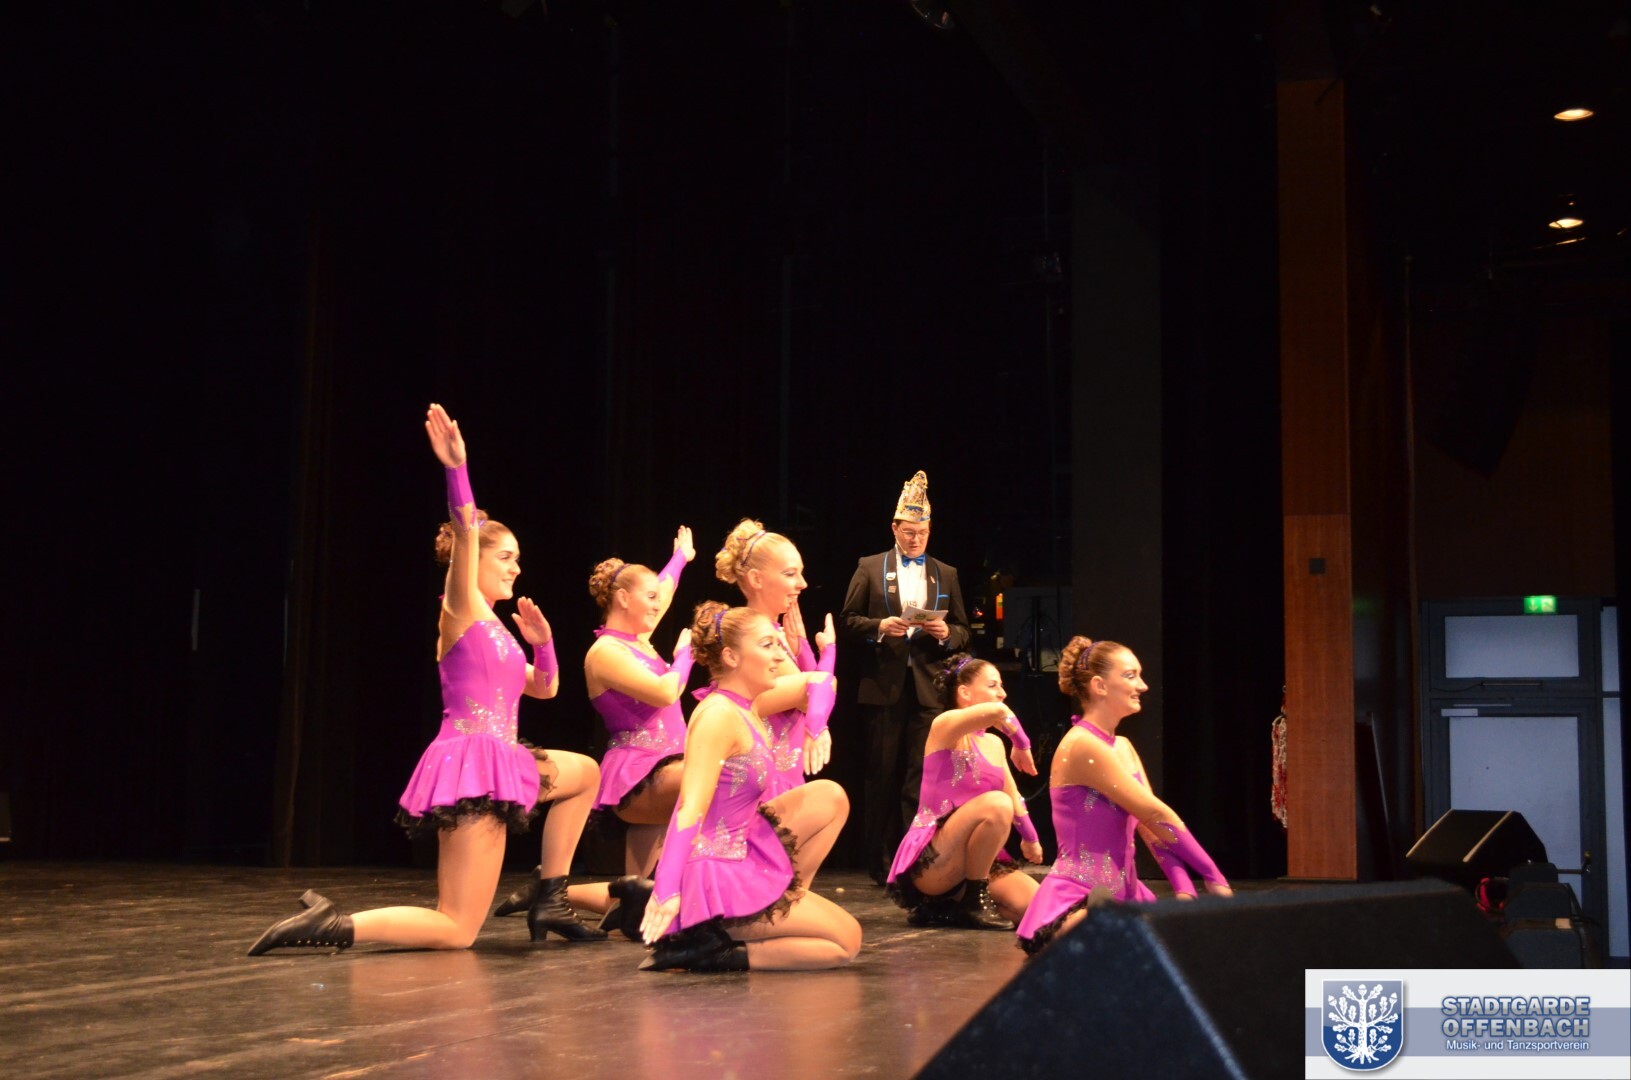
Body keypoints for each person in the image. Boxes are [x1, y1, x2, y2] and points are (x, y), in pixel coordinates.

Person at [248, 404, 607, 955]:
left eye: (517, 559)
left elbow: (545, 688)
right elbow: (465, 526)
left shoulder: (499, 630)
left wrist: (544, 643)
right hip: (471, 765)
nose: (516, 567)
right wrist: (456, 468)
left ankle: (551, 896)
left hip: (504, 759)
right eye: (506, 557)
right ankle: (333, 923)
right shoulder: (460, 609)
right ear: (474, 560)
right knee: (457, 928)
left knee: (585, 772)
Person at [638, 602, 860, 972]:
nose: (779, 656)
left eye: (778, 645)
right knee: (844, 943)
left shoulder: (747, 706)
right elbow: (689, 807)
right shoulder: (718, 716)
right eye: (767, 645)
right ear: (731, 656)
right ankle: (712, 950)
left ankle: (748, 927)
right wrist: (666, 890)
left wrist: (818, 715)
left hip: (742, 852)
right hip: (715, 874)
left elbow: (820, 682)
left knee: (830, 795)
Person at [492, 535, 695, 935]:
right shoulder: (606, 653)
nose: (659, 604)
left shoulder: (639, 641)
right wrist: (685, 655)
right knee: (717, 776)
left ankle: (548, 890)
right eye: (649, 598)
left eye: (658, 598)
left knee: (644, 897)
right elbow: (665, 692)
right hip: (642, 776)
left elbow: (664, 590)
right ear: (622, 598)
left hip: (664, 767)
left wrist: (680, 559)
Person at [1014, 636, 1232, 956]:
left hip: (1125, 892)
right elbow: (1157, 814)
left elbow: (1151, 826)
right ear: (1100, 686)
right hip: (1074, 896)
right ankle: (1094, 923)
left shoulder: (1123, 747)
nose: (1143, 686)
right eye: (1131, 676)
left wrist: (1184, 889)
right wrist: (1215, 878)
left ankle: (1113, 920)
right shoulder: (1083, 745)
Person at [839, 470, 970, 883]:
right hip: (884, 687)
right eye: (909, 532)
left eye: (923, 533)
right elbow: (848, 620)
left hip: (929, 688)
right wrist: (880, 627)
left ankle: (913, 860)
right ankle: (878, 863)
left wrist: (946, 633)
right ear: (895, 528)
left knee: (921, 775)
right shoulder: (870, 567)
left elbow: (964, 631)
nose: (916, 540)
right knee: (880, 775)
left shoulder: (945, 573)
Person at [886, 654, 1042, 930]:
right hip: (937, 859)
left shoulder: (994, 743)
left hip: (976, 863)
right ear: (965, 693)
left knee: (1037, 910)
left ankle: (952, 909)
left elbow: (1013, 795)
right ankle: (970, 901)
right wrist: (1022, 744)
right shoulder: (944, 726)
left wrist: (1031, 839)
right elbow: (1000, 712)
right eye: (993, 685)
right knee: (997, 804)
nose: (1002, 693)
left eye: (1001, 685)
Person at [715, 518, 838, 794]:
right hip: (764, 785)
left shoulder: (775, 633)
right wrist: (828, 652)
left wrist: (802, 647)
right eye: (790, 574)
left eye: (800, 573)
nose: (802, 583)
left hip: (782, 775)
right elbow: (816, 690)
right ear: (756, 579)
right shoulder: (754, 639)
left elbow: (807, 688)